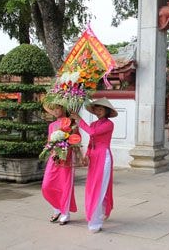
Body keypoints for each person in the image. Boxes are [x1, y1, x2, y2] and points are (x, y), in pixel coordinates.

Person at [70, 98, 117, 233]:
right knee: (92, 187)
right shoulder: (94, 123)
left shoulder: (109, 124)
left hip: (104, 158)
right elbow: (91, 141)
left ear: (107, 111)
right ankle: (102, 211)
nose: (99, 111)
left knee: (98, 188)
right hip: (94, 158)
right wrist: (86, 156)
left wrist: (79, 119)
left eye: (101, 109)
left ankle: (95, 222)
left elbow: (93, 133)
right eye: (97, 109)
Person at [42, 103, 79, 226]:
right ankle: (57, 208)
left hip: (67, 158)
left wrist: (67, 144)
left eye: (58, 108)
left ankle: (65, 213)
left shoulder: (71, 122)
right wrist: (53, 152)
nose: (56, 111)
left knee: (65, 185)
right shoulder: (52, 125)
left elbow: (77, 139)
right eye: (53, 109)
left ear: (63, 108)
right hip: (54, 158)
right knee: (47, 185)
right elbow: (49, 142)